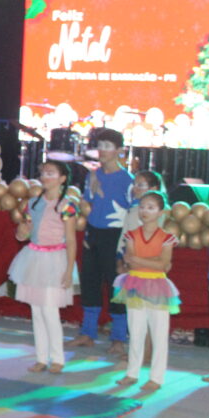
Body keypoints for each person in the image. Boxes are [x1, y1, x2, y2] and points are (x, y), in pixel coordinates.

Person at [9, 160, 78, 374]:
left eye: (51, 173)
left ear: (62, 179)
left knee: (49, 311)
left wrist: (68, 271)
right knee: (37, 311)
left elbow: (71, 239)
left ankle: (57, 358)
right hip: (34, 256)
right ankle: (41, 357)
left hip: (55, 259)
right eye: (43, 172)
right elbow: (25, 232)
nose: (45, 176)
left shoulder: (67, 205)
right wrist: (22, 230)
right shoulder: (34, 203)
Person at [72, 128, 133, 356]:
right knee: (90, 281)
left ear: (119, 151)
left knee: (117, 286)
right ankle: (88, 333)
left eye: (108, 146)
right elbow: (88, 205)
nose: (103, 151)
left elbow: (133, 213)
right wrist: (87, 228)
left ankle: (118, 337)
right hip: (94, 234)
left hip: (116, 237)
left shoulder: (127, 180)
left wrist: (126, 247)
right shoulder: (93, 175)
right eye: (100, 146)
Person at [113, 190, 179, 391]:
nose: (145, 211)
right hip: (135, 285)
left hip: (158, 287)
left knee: (159, 333)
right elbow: (129, 260)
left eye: (151, 207)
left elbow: (163, 265)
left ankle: (156, 377)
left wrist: (142, 262)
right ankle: (132, 373)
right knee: (136, 331)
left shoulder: (167, 237)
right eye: (142, 207)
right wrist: (152, 262)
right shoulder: (131, 234)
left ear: (161, 212)